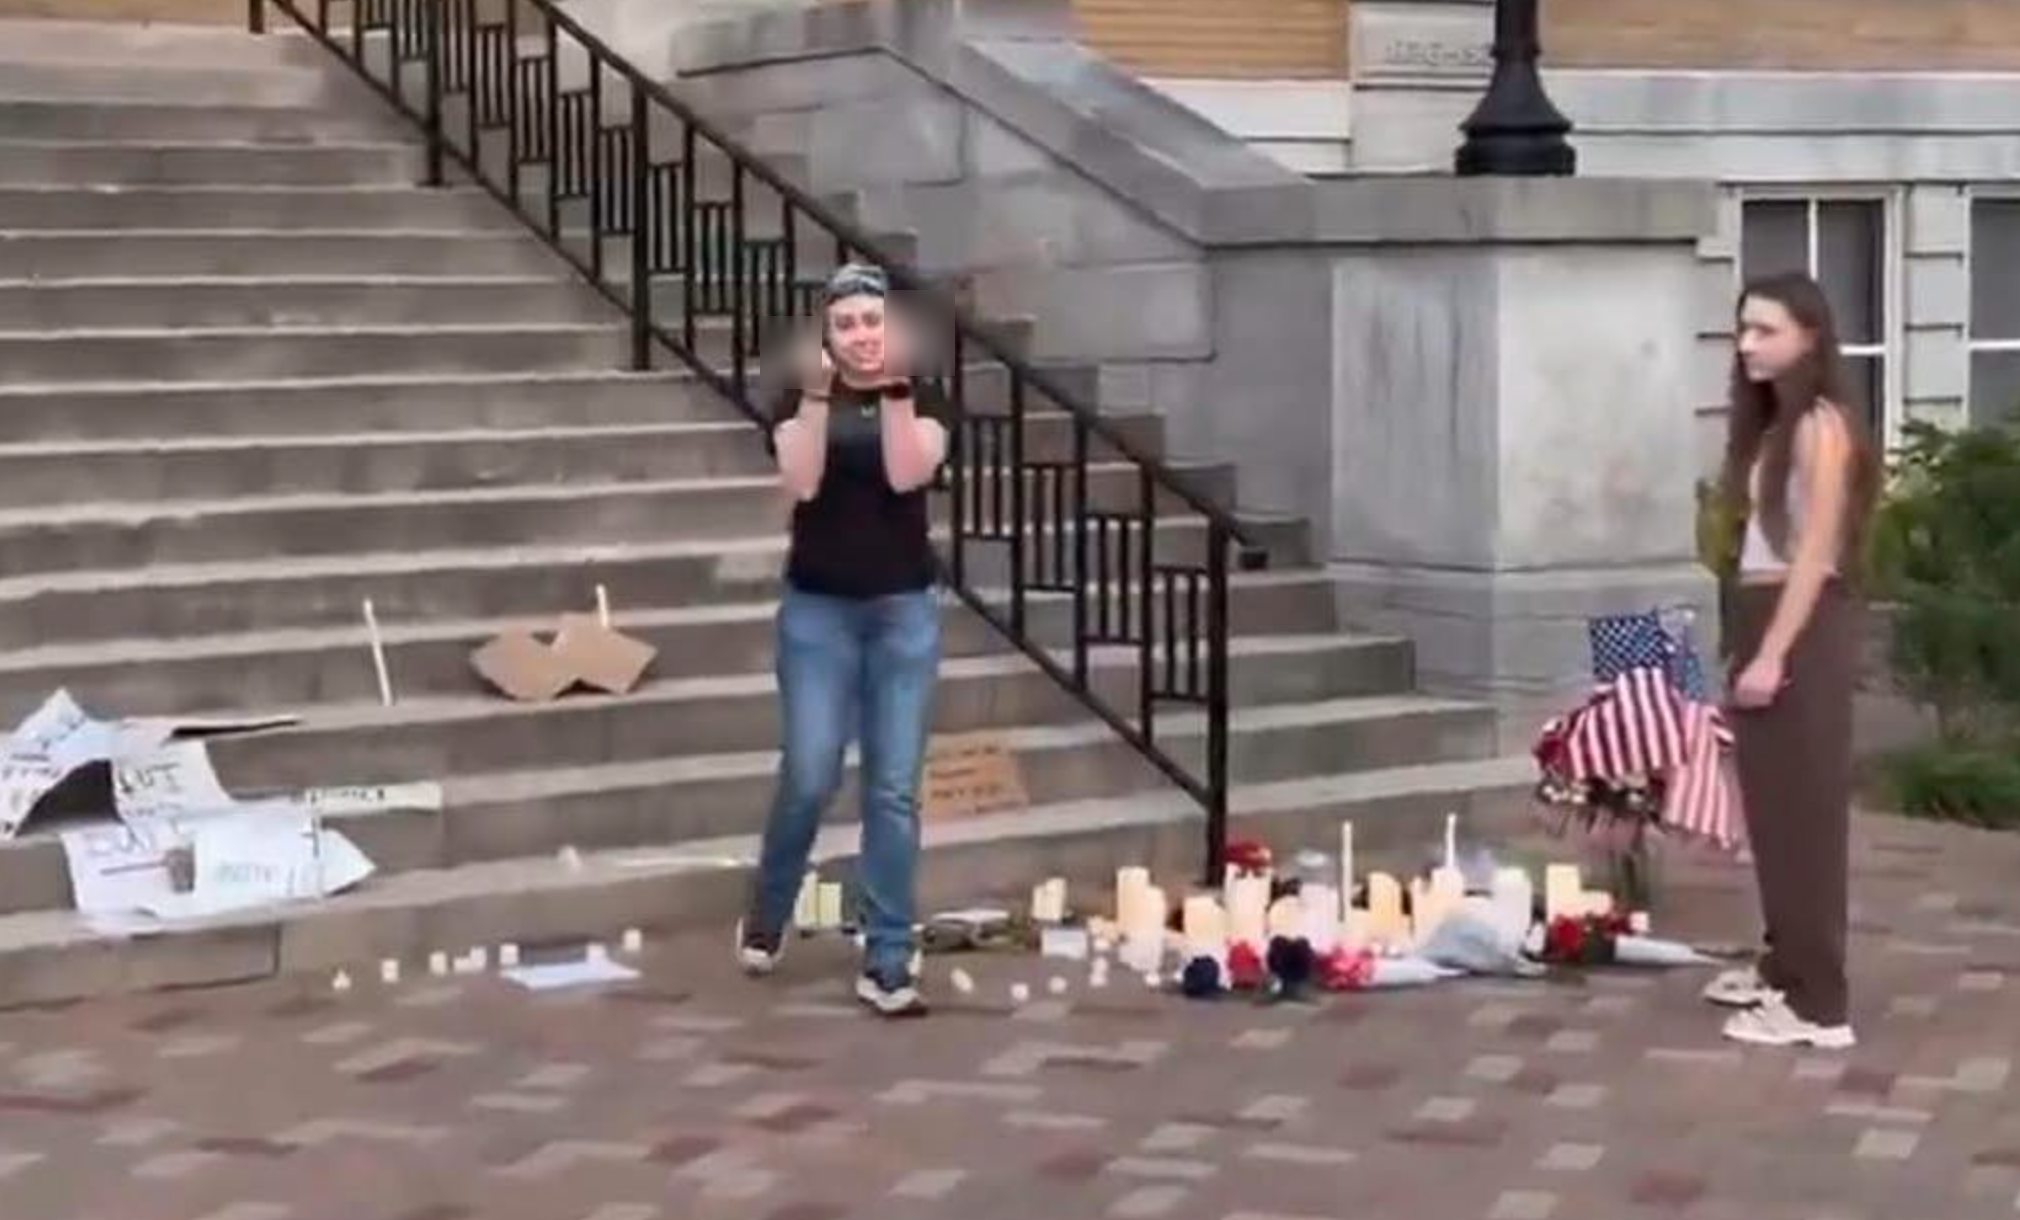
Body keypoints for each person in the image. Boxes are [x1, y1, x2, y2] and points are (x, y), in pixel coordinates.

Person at [735, 263, 953, 1018]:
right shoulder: (798, 397)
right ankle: (769, 906)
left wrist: (892, 392)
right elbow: (800, 480)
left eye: (873, 321)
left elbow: (905, 474)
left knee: (893, 788)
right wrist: (822, 396)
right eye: (847, 324)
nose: (863, 336)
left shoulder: (922, 393)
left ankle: (888, 956)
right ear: (826, 336)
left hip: (903, 611)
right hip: (818, 612)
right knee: (810, 771)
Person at [1699, 272, 1881, 1049]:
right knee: (1773, 815)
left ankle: (1820, 1005)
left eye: (1766, 330)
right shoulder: (1775, 424)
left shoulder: (1820, 426)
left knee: (1803, 817)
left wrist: (1772, 654)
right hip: (1762, 612)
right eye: (1743, 329)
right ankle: (1787, 967)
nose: (1748, 346)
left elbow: (1817, 552)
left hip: (1799, 623)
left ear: (1810, 335)